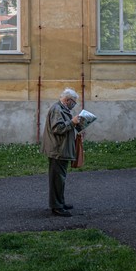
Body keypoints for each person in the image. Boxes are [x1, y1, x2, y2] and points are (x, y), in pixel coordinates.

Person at [41, 88, 81, 217]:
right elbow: (57, 128)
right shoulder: (57, 109)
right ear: (67, 100)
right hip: (57, 149)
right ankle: (56, 207)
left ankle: (60, 202)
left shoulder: (61, 109)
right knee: (57, 179)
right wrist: (72, 122)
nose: (74, 104)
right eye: (73, 102)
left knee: (60, 179)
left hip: (61, 149)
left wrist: (76, 125)